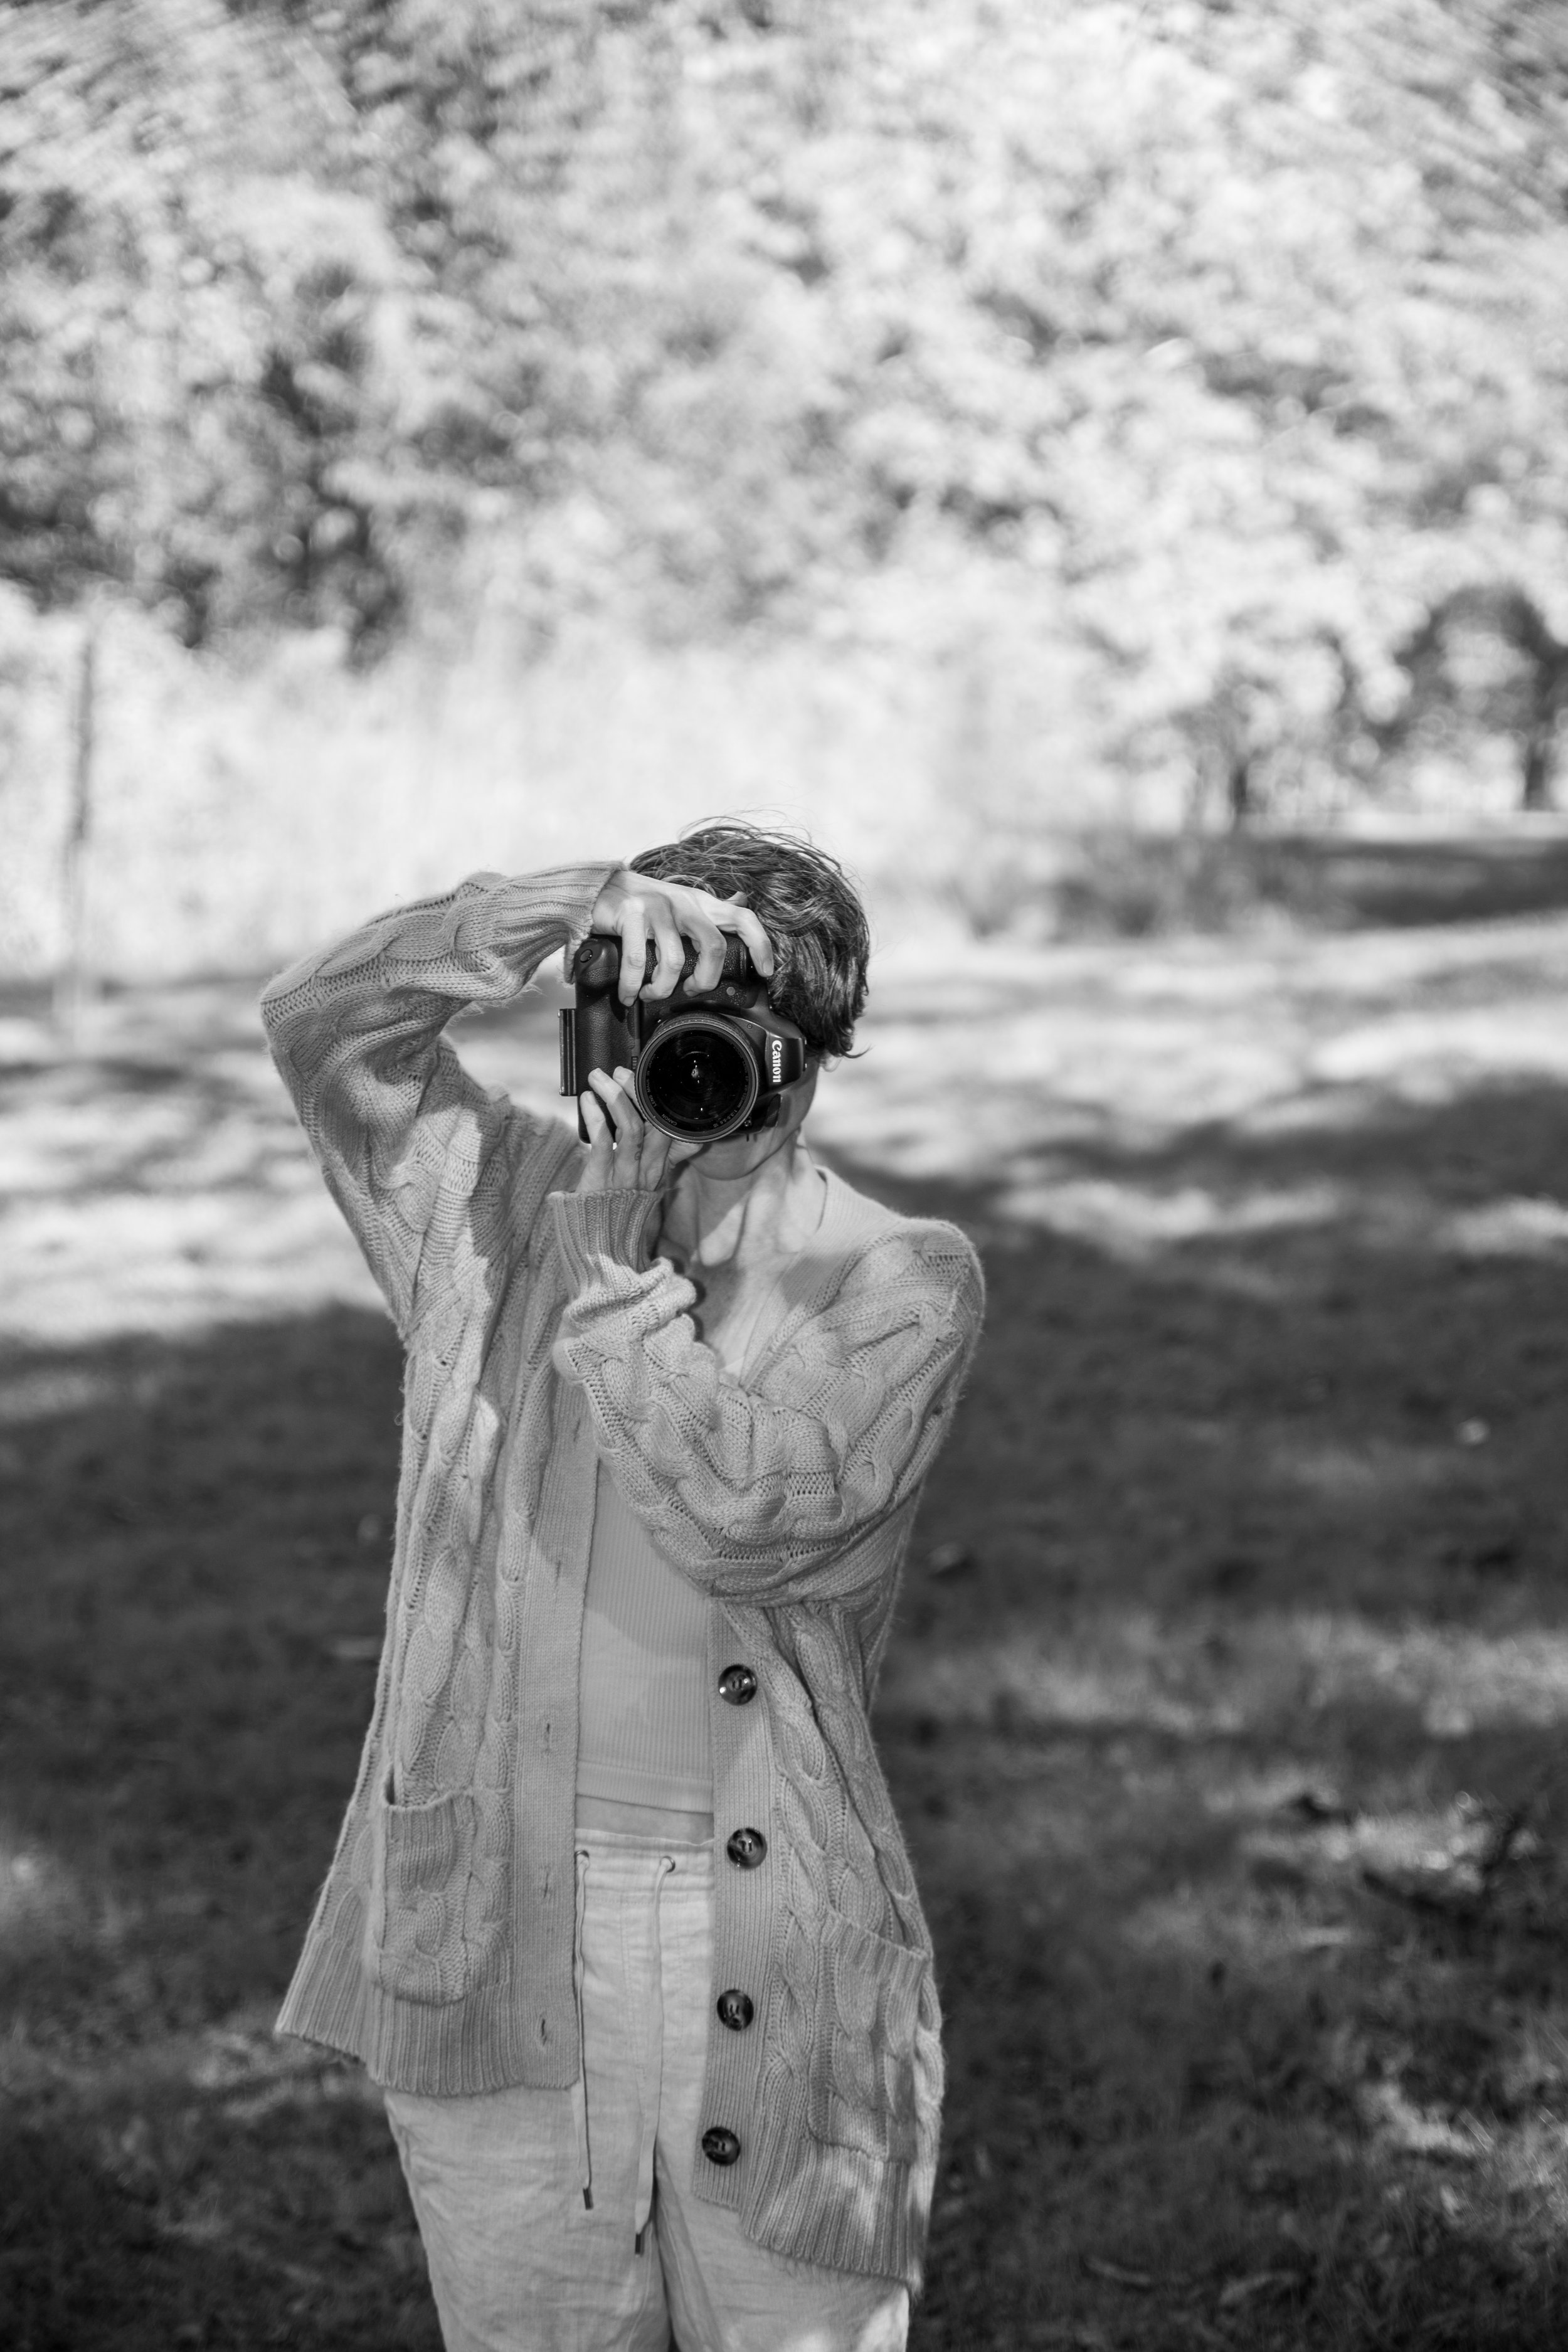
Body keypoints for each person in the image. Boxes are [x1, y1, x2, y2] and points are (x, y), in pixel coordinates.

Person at [260, 822, 985, 2352]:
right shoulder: (491, 1207)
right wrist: (552, 908)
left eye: (733, 1026)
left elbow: (754, 1520)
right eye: (650, 1013)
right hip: (491, 1933)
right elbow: (318, 1023)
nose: (688, 1064)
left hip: (774, 1956)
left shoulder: (898, 1278)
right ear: (602, 1016)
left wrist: (612, 1277)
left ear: (814, 1049)